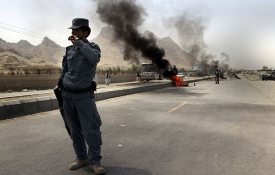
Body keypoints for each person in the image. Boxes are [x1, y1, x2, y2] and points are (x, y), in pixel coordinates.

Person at [59, 18, 105, 175]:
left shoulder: (93, 48)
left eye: (76, 31)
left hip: (84, 97)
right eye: (72, 31)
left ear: (85, 32)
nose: (72, 33)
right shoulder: (69, 50)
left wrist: (80, 43)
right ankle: (81, 157)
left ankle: (94, 161)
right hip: (67, 95)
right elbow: (65, 70)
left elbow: (93, 59)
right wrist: (60, 86)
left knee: (91, 129)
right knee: (74, 129)